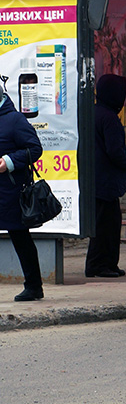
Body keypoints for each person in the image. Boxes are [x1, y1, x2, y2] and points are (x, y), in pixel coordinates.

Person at [0, 81, 46, 302]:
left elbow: (35, 149)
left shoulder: (15, 119)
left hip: (10, 192)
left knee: (20, 238)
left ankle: (34, 287)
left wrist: (8, 161)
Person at [86, 74, 126, 278]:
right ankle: (99, 265)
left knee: (105, 224)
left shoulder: (93, 113)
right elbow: (115, 151)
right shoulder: (110, 118)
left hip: (94, 180)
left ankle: (107, 264)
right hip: (105, 182)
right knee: (107, 226)